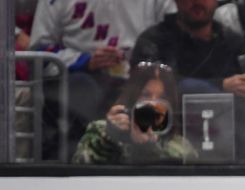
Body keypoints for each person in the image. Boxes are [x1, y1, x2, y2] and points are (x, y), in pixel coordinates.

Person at [131, 0, 245, 163]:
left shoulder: (234, 43)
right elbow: (152, 88)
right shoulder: (154, 41)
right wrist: (222, 86)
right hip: (168, 137)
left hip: (231, 140)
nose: (198, 2)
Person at [29, 0, 175, 155]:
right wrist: (83, 61)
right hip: (80, 84)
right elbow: (39, 54)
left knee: (156, 92)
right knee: (81, 87)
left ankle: (155, 153)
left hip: (139, 80)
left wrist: (143, 65)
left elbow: (173, 33)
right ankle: (75, 159)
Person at [72, 62, 196, 164]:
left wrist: (147, 149)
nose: (152, 103)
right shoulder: (100, 130)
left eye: (162, 97)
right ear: (132, 97)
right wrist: (110, 139)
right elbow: (81, 166)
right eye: (145, 95)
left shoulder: (180, 145)